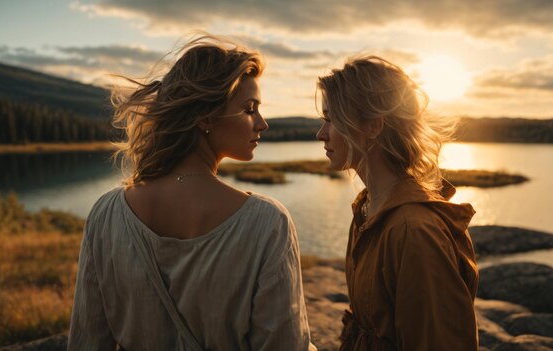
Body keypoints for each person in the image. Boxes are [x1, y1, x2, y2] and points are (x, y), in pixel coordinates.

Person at [68, 35, 314, 351]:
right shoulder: (268, 223)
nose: (262, 123)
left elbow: (87, 342)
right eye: (249, 109)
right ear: (205, 117)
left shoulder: (107, 212)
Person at [315, 56, 479, 350]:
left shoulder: (414, 231)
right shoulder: (367, 209)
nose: (321, 134)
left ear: (373, 126)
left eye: (331, 120)